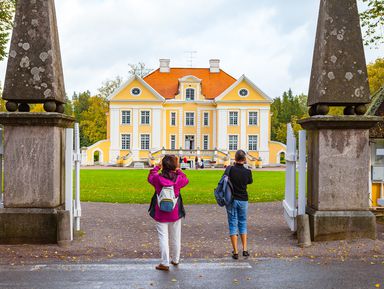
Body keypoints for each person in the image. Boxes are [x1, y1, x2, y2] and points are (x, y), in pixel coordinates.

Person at [148, 155, 189, 271]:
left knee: (163, 237)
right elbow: (186, 179)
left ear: (163, 166)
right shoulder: (178, 179)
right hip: (175, 212)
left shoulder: (157, 179)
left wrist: (157, 167)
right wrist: (178, 169)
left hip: (161, 213)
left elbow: (150, 176)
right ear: (174, 166)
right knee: (176, 236)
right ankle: (175, 259)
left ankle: (165, 262)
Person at [226, 150, 253, 259]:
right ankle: (245, 249)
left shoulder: (230, 170)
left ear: (235, 158)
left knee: (233, 223)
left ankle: (236, 251)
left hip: (232, 199)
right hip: (243, 199)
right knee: (243, 222)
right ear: (244, 159)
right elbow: (250, 181)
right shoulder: (248, 172)